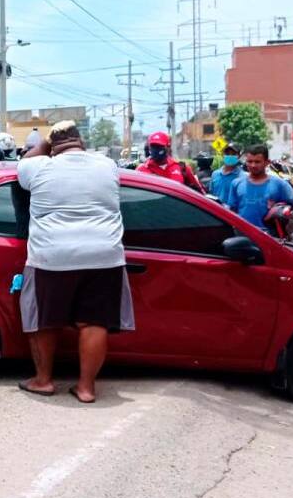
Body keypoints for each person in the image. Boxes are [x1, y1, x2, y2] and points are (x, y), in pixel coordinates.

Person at [17, 120, 125, 404]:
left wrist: (44, 144)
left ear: (52, 146)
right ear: (82, 142)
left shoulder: (39, 167)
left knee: (43, 321)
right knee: (94, 322)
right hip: (105, 255)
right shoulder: (107, 165)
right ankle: (87, 388)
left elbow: (24, 162)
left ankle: (43, 381)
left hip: (52, 256)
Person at [225, 144, 293, 246]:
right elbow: (232, 211)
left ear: (267, 162)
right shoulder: (236, 183)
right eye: (250, 161)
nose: (253, 165)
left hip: (270, 241)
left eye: (257, 162)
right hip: (243, 240)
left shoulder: (279, 184)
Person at [138, 131, 205, 193]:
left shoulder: (181, 168)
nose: (155, 150)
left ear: (168, 147)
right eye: (153, 146)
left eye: (159, 146)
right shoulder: (142, 170)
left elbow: (200, 192)